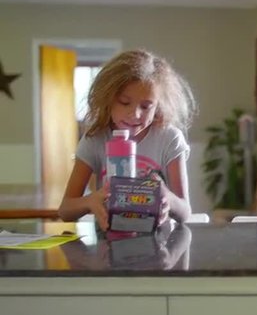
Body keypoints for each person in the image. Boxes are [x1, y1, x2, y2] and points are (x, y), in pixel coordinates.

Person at [58, 49, 196, 230]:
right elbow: (65, 210)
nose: (135, 114)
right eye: (124, 102)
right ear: (107, 99)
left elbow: (185, 212)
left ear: (158, 106)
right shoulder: (95, 139)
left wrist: (167, 197)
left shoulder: (169, 138)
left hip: (157, 244)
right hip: (108, 244)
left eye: (146, 106)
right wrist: (91, 201)